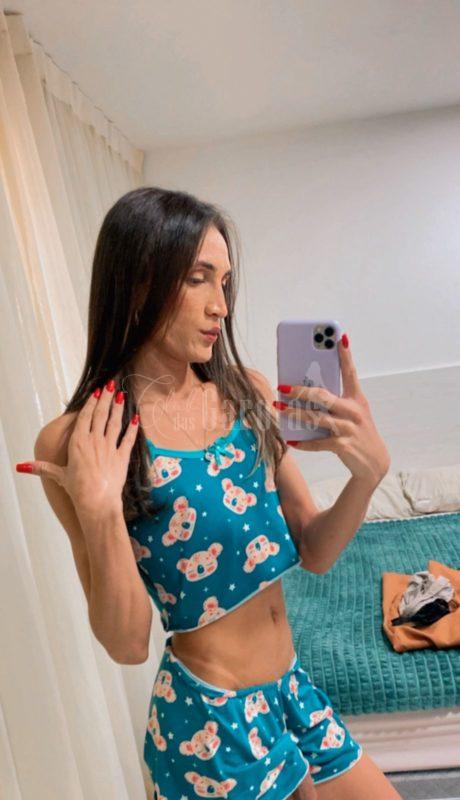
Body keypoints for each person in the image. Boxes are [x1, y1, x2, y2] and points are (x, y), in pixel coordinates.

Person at [17, 187, 400, 799]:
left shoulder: (247, 393)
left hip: (291, 691)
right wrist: (100, 509)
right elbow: (126, 642)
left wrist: (366, 476)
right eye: (198, 279)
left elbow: (314, 547)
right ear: (138, 282)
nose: (220, 305)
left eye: (225, 282)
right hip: (209, 726)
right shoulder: (81, 439)